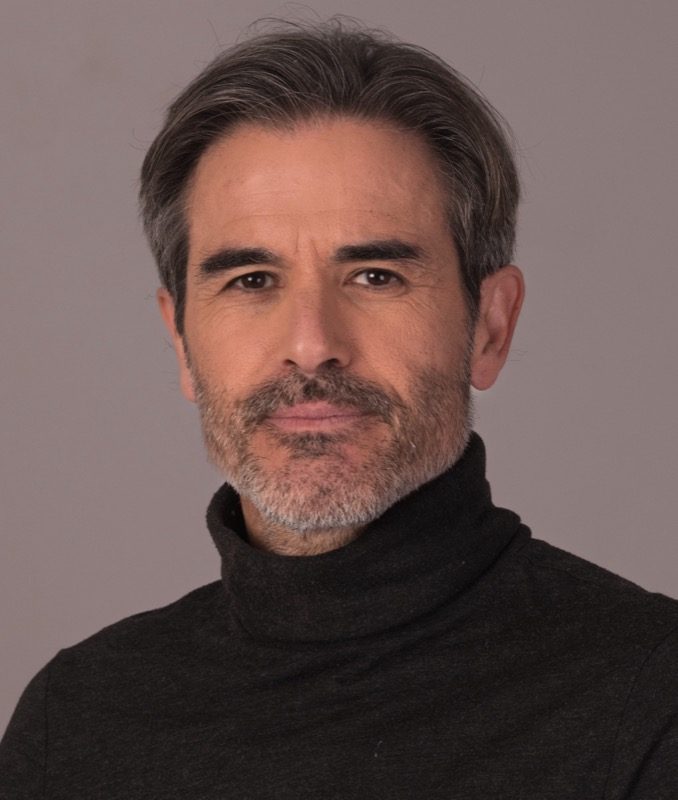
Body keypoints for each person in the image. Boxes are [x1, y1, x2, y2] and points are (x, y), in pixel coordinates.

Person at [1, 19, 676, 799]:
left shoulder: (651, 702)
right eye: (251, 281)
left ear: (490, 328)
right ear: (182, 342)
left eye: (376, 276)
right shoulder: (76, 721)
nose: (312, 345)